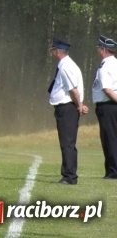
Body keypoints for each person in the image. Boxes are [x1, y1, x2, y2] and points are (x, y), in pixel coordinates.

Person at [48, 38, 88, 185]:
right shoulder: (65, 65)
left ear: (58, 52)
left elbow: (73, 89)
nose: (52, 54)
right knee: (66, 142)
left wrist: (79, 105)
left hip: (67, 108)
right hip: (66, 107)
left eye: (53, 51)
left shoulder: (66, 67)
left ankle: (69, 176)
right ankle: (68, 174)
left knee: (67, 143)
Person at [92, 35, 117, 179]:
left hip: (108, 106)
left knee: (109, 139)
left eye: (98, 48)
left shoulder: (105, 66)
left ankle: (113, 172)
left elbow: (107, 89)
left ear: (103, 50)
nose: (97, 51)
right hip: (113, 105)